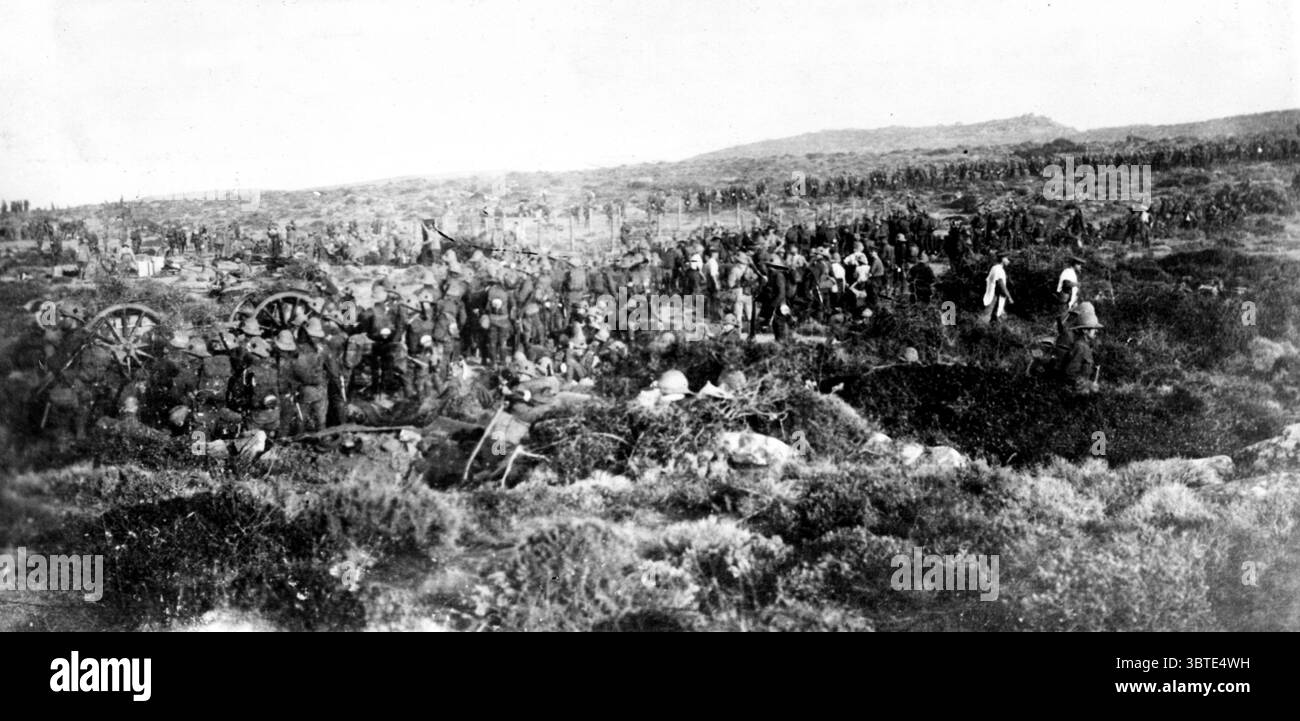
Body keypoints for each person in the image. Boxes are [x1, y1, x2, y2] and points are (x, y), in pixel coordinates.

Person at [981, 254, 1013, 325]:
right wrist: (1009, 297)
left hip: (995, 294)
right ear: (1002, 259)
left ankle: (995, 330)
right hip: (994, 295)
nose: (1008, 261)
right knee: (987, 316)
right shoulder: (998, 269)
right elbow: (1001, 285)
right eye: (1007, 259)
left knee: (998, 315)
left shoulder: (994, 268)